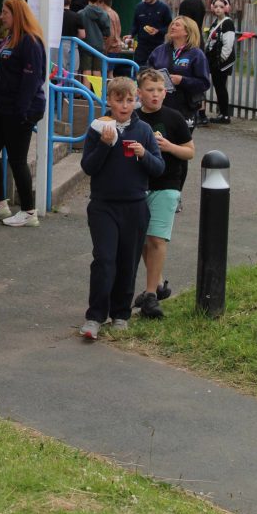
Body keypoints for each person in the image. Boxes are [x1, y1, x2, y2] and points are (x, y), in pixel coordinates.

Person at [79, 76, 164, 340]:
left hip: (135, 206)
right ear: (109, 101)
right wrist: (105, 145)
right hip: (103, 206)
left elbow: (159, 168)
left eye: (130, 100)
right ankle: (95, 317)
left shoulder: (144, 131)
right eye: (119, 100)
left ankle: (120, 314)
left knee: (127, 262)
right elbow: (88, 167)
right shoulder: (97, 128)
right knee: (105, 261)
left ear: (136, 100)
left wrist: (144, 154)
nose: (125, 106)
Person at [0, 0, 47, 228]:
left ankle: (28, 210)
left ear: (17, 14)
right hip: (3, 106)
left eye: (4, 12)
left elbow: (31, 79)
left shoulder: (30, 42)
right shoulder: (9, 39)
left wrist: (22, 111)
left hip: (20, 110)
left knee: (17, 159)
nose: (1, 16)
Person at [134, 69, 194, 319]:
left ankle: (150, 295)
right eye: (150, 90)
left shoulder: (174, 118)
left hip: (167, 184)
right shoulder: (133, 117)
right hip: (137, 185)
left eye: (160, 90)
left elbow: (190, 152)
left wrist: (169, 147)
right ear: (139, 93)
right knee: (142, 241)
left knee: (157, 239)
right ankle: (157, 283)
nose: (156, 95)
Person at [146, 16, 211, 129]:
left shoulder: (196, 54)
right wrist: (152, 76)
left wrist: (182, 80)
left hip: (184, 109)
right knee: (158, 142)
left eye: (177, 25)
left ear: (187, 31)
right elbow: (146, 71)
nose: (172, 27)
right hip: (159, 105)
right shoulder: (159, 50)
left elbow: (204, 83)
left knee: (179, 144)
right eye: (172, 24)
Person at [176, 0, 208, 126]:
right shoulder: (200, 2)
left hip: (189, 43)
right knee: (199, 76)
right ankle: (201, 112)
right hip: (198, 40)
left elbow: (184, 26)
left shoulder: (186, 4)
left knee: (187, 76)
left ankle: (193, 111)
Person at [204, 0, 236, 124]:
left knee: (220, 87)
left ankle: (225, 115)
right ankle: (223, 113)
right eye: (216, 6)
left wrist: (221, 60)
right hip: (215, 60)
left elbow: (228, 44)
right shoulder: (216, 22)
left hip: (221, 62)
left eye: (221, 7)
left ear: (226, 8)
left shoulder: (227, 23)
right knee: (218, 86)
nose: (218, 9)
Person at [129, 0, 172, 66]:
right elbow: (135, 25)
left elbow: (169, 26)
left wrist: (158, 31)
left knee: (155, 72)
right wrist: (131, 35)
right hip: (142, 47)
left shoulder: (163, 8)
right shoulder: (139, 7)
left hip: (157, 46)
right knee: (140, 71)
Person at [79, 0, 111, 89]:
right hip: (98, 45)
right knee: (97, 70)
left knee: (86, 70)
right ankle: (98, 95)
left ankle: (85, 95)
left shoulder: (81, 13)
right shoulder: (104, 14)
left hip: (85, 45)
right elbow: (107, 32)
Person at [61, 0, 85, 74]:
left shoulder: (53, 15)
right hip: (72, 46)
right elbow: (82, 35)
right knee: (71, 73)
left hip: (56, 47)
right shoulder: (76, 16)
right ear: (70, 1)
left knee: (55, 73)